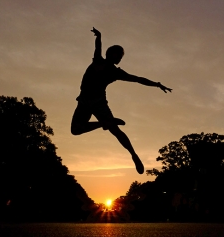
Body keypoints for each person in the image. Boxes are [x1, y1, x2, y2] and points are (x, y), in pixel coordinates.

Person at [71, 27, 172, 174]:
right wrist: (98, 36)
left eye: (121, 57)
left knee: (115, 131)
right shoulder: (99, 61)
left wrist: (156, 84)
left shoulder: (115, 71)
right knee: (76, 130)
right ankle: (105, 124)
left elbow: (138, 79)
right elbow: (98, 47)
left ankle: (133, 154)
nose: (120, 59)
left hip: (97, 102)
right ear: (111, 54)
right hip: (85, 101)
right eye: (119, 55)